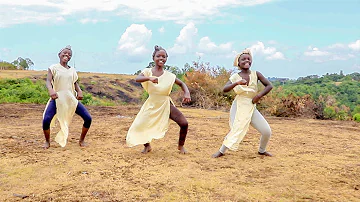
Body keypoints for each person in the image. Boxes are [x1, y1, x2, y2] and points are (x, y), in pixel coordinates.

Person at [126, 45, 191, 154]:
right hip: (152, 104)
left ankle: (181, 146)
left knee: (184, 123)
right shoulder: (147, 72)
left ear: (166, 59)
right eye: (158, 56)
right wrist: (149, 78)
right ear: (153, 58)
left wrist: (187, 93)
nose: (161, 58)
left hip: (165, 104)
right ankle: (147, 146)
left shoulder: (170, 75)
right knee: (139, 125)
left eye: (164, 56)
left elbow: (182, 83)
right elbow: (137, 79)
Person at [212, 49, 273, 158]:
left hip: (251, 105)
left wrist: (258, 96)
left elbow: (269, 86)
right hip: (239, 105)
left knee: (266, 131)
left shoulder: (256, 74)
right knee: (237, 128)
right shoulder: (236, 76)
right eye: (243, 59)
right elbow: (224, 89)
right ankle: (221, 151)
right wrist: (237, 83)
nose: (246, 61)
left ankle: (262, 150)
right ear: (238, 63)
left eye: (249, 59)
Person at [42, 45, 92, 149]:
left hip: (70, 99)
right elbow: (48, 81)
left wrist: (79, 91)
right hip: (57, 99)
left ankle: (82, 140)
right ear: (59, 55)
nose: (67, 55)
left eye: (69, 54)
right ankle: (47, 141)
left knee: (88, 118)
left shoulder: (72, 70)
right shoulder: (53, 68)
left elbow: (75, 82)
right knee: (46, 120)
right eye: (64, 53)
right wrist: (51, 90)